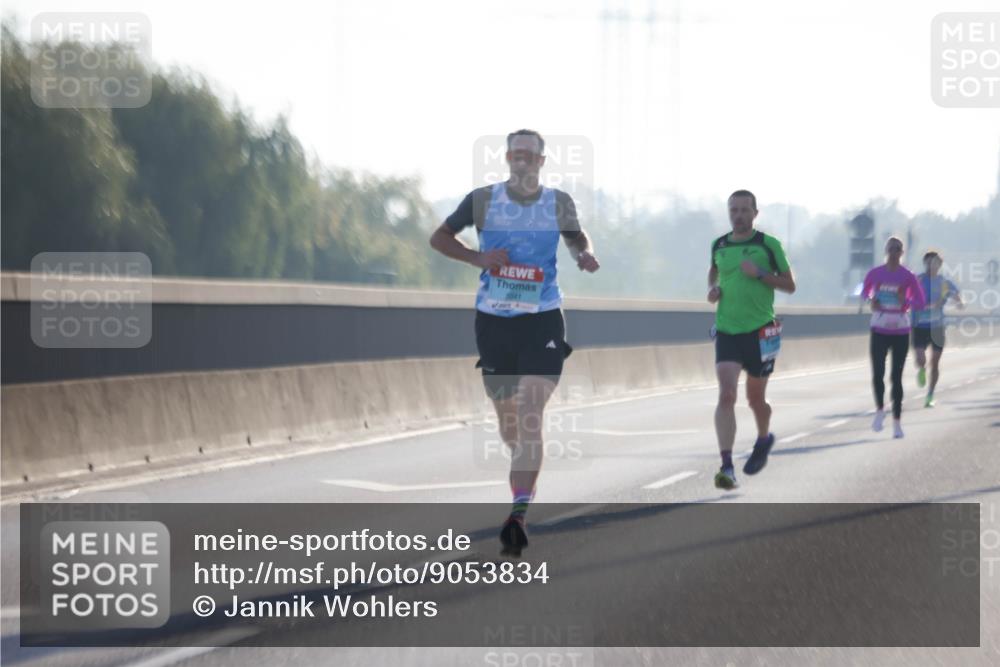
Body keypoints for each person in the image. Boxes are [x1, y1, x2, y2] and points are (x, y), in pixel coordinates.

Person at [429, 129, 600, 556]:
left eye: (529, 154)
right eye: (514, 153)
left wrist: (582, 253)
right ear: (507, 158)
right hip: (494, 320)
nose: (520, 160)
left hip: (542, 318)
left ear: (541, 161)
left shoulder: (557, 202)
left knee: (529, 413)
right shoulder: (483, 200)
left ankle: (518, 513)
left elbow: (577, 235)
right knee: (510, 421)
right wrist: (478, 258)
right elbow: (439, 238)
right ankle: (523, 473)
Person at [708, 190, 796, 490]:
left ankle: (763, 438)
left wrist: (760, 273)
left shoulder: (768, 245)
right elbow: (714, 275)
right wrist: (714, 290)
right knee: (726, 395)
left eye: (745, 210)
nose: (739, 215)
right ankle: (727, 465)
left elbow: (790, 285)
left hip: (760, 331)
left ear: (755, 213)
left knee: (755, 400)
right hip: (727, 330)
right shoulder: (718, 245)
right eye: (734, 210)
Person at [861, 237, 926, 438]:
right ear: (886, 250)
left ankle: (897, 423)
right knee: (877, 373)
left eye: (898, 249)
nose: (894, 252)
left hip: (900, 329)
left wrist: (904, 300)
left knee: (896, 377)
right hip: (879, 328)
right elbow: (864, 293)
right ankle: (880, 410)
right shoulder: (875, 273)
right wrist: (871, 300)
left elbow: (920, 302)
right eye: (891, 248)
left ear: (902, 253)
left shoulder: (908, 276)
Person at [912, 250, 963, 407]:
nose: (932, 264)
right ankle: (921, 369)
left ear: (940, 265)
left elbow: (958, 297)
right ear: (925, 263)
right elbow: (906, 297)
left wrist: (959, 302)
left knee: (935, 363)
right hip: (919, 326)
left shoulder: (944, 283)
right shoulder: (917, 280)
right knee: (921, 359)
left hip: (937, 328)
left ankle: (930, 395)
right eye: (929, 261)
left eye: (936, 262)